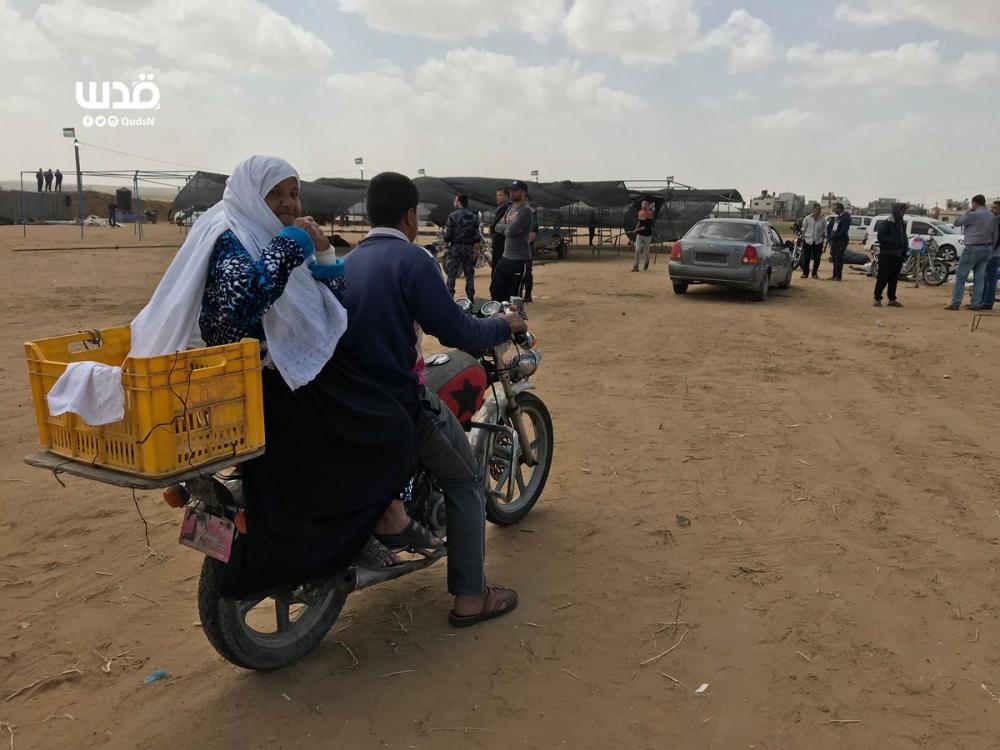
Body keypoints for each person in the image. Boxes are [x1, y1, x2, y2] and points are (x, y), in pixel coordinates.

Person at [129, 155, 417, 598]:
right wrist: (290, 244)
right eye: (276, 194)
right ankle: (368, 530)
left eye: (294, 193)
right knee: (390, 430)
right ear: (251, 194)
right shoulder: (230, 236)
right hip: (263, 381)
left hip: (285, 373)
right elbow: (241, 305)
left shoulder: (264, 234)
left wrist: (324, 256)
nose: (288, 203)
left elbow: (326, 308)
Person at [338, 171, 528, 627]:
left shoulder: (346, 262)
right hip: (397, 400)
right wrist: (503, 324)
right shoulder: (413, 260)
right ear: (410, 216)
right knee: (466, 479)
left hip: (346, 399)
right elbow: (456, 330)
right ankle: (472, 597)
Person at [947, 195, 998, 311]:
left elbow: (956, 222)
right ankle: (975, 304)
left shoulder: (973, 215)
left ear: (974, 203)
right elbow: (995, 235)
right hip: (987, 248)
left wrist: (969, 210)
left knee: (961, 275)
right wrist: (991, 248)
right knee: (979, 278)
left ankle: (956, 303)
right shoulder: (992, 216)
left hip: (972, 247)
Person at [490, 179, 533, 302]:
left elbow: (510, 231)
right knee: (495, 289)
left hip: (518, 260)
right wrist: (509, 225)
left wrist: (508, 226)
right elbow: (497, 227)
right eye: (510, 190)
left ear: (523, 193)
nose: (511, 193)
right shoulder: (510, 209)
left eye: (515, 191)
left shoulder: (525, 210)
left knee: (515, 296)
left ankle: (517, 313)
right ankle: (502, 312)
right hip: (505, 257)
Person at [443, 195, 480, 299]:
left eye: (455, 201)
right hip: (468, 248)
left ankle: (449, 297)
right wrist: (476, 250)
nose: (454, 203)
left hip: (456, 248)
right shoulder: (474, 217)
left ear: (459, 202)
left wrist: (445, 243)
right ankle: (470, 298)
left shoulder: (452, 216)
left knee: (452, 274)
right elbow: (477, 237)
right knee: (469, 274)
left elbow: (447, 236)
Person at [874, 202, 908, 307]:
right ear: (897, 211)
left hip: (898, 256)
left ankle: (892, 299)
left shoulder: (902, 224)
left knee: (894, 279)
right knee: (883, 278)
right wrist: (894, 241)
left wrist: (904, 251)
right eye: (902, 211)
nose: (903, 213)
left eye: (904, 211)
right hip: (887, 256)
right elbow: (881, 238)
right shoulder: (886, 223)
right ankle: (877, 299)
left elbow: (904, 237)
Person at [980, 200, 1000, 310]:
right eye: (991, 207)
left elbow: (997, 239)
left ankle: (987, 302)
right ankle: (983, 301)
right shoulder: (994, 220)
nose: (992, 209)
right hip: (992, 252)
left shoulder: (998, 221)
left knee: (990, 278)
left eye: (995, 208)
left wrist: (990, 249)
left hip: (994, 254)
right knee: (986, 277)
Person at [490, 187, 511, 278]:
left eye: (500, 195)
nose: (497, 197)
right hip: (499, 243)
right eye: (497, 195)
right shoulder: (501, 208)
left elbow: (499, 226)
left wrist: (494, 230)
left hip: (502, 244)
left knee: (498, 271)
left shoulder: (508, 209)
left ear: (506, 196)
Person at [800, 203, 825, 279]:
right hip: (808, 241)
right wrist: (802, 238)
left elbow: (824, 231)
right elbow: (803, 229)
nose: (819, 211)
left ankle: (814, 273)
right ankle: (805, 273)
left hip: (818, 241)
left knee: (817, 259)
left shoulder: (822, 219)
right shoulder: (807, 218)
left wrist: (823, 240)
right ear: (813, 210)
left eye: (820, 209)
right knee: (806, 258)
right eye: (818, 209)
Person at [827, 202, 851, 281]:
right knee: (834, 258)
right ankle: (834, 275)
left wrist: (834, 236)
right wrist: (831, 236)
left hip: (841, 241)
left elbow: (843, 231)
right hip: (835, 240)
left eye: (835, 209)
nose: (834, 210)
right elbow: (834, 228)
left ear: (840, 209)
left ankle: (838, 276)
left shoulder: (846, 218)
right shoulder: (838, 217)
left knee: (839, 259)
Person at [522, 191, 538, 302]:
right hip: (516, 249)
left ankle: (528, 294)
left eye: (525, 200)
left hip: (526, 248)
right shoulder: (516, 212)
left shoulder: (532, 213)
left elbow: (532, 234)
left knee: (527, 271)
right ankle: (518, 294)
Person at [632, 199, 654, 272]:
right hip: (639, 235)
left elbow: (646, 226)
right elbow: (639, 222)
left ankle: (646, 262)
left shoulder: (649, 214)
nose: (644, 205)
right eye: (643, 204)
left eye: (645, 204)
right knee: (637, 250)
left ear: (648, 205)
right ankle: (636, 266)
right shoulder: (640, 212)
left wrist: (637, 229)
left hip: (647, 235)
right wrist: (636, 229)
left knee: (646, 252)